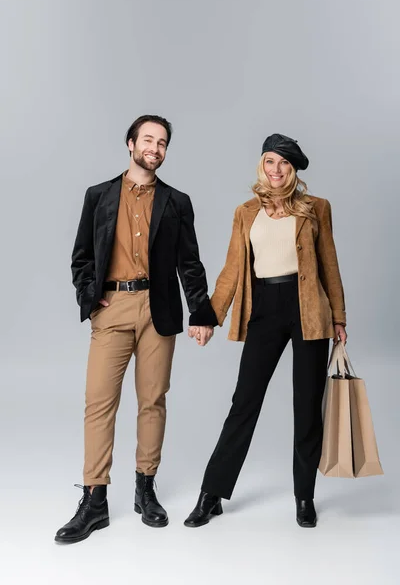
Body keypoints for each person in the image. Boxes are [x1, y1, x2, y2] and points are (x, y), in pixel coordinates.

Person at [55, 115, 216, 544]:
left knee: (152, 400)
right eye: (148, 140)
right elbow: (82, 257)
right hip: (113, 307)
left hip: (158, 308)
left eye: (162, 143)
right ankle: (94, 501)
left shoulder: (177, 201)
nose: (155, 148)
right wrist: (91, 299)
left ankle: (146, 489)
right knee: (98, 403)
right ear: (130, 144)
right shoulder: (99, 195)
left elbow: (190, 263)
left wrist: (201, 312)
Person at [185, 133, 347, 528]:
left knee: (307, 407)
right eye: (271, 162)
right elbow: (231, 272)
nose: (276, 171)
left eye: (284, 164)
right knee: (244, 403)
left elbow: (329, 265)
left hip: (308, 309)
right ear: (262, 164)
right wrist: (208, 316)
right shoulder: (245, 212)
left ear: (293, 170)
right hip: (264, 308)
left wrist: (339, 318)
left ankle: (304, 498)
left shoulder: (315, 208)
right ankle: (212, 494)